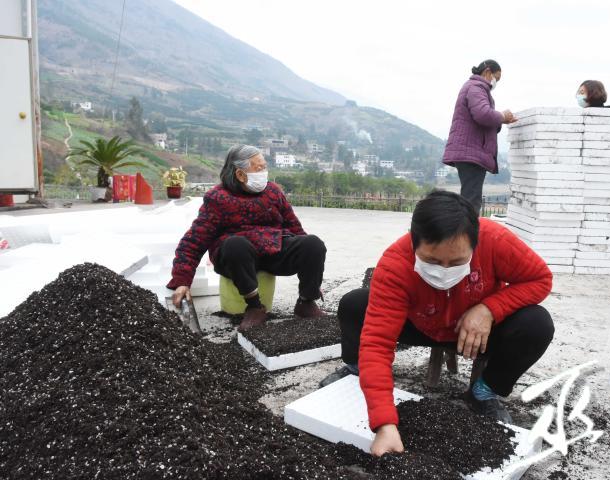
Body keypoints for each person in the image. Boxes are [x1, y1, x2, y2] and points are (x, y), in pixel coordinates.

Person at [320, 191, 554, 457]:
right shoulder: (396, 264)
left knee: (537, 324)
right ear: (414, 242)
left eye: (456, 262)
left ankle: (484, 391)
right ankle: (355, 368)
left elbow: (540, 279)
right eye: (431, 261)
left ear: (475, 245)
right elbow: (377, 344)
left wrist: (489, 309)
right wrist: (385, 423)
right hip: (421, 324)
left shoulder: (494, 240)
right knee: (354, 304)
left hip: (476, 331)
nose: (444, 270)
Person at [167, 145, 327, 330]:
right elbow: (194, 241)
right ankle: (254, 306)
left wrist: (312, 281)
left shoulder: (273, 192)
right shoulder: (218, 198)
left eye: (264, 167)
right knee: (236, 245)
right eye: (258, 168)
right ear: (240, 174)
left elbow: (294, 227)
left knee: (313, 244)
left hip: (272, 250)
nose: (264, 172)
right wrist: (182, 281)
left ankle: (306, 303)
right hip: (236, 257)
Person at [442, 60, 517, 213]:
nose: (495, 83)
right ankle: (467, 234)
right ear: (487, 72)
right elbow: (482, 114)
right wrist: (502, 116)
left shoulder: (473, 87)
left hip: (470, 151)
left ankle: (465, 232)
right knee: (471, 201)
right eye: (496, 78)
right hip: (471, 153)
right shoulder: (476, 87)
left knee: (469, 197)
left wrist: (500, 120)